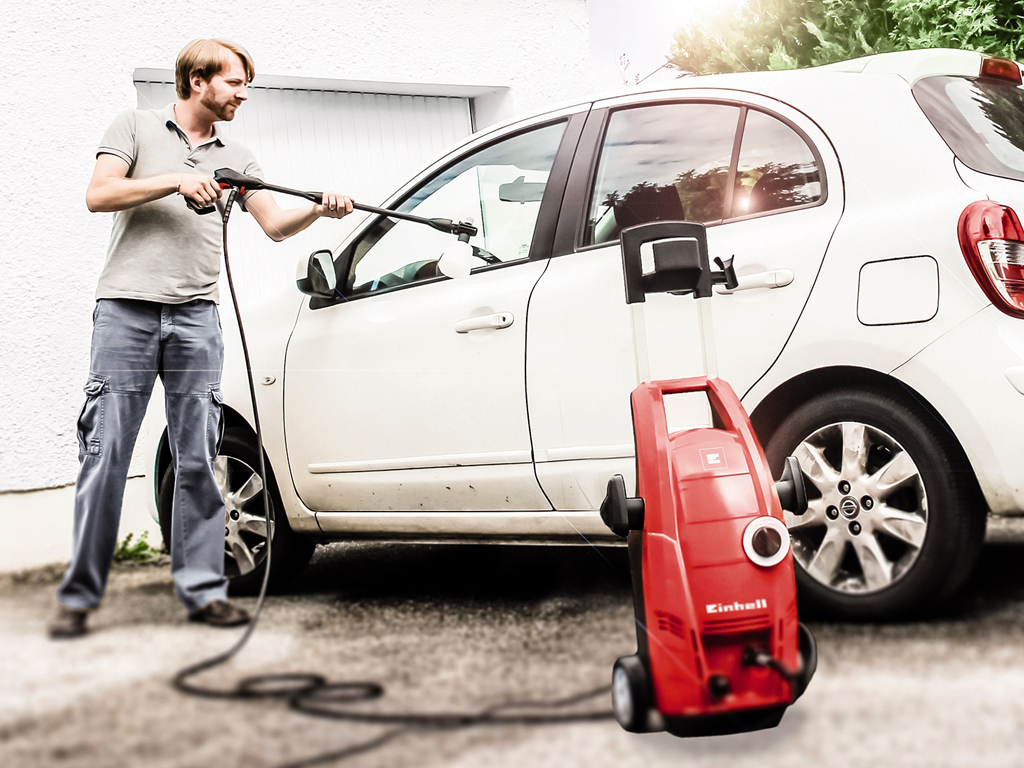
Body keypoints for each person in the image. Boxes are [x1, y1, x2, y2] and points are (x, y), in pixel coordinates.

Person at [49, 38, 353, 639]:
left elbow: (272, 224)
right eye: (235, 83)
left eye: (245, 85)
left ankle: (202, 590)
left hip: (196, 318)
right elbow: (98, 194)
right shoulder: (135, 126)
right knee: (105, 455)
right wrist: (173, 182)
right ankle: (80, 595)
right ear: (196, 80)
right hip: (127, 314)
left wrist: (319, 210)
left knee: (198, 462)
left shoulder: (235, 153)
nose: (243, 94)